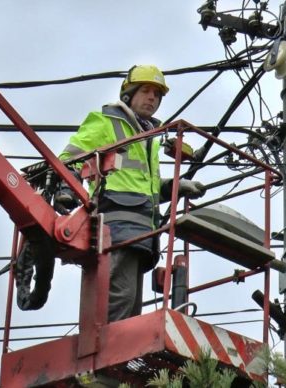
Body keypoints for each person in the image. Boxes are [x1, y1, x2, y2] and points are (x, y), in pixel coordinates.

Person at [58, 65, 206, 322]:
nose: (152, 98)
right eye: (146, 91)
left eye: (157, 94)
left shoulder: (149, 137)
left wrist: (175, 187)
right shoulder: (106, 122)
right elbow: (69, 158)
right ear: (129, 94)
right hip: (115, 227)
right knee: (119, 304)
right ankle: (104, 359)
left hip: (142, 233)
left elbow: (146, 186)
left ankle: (110, 357)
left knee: (131, 311)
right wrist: (67, 188)